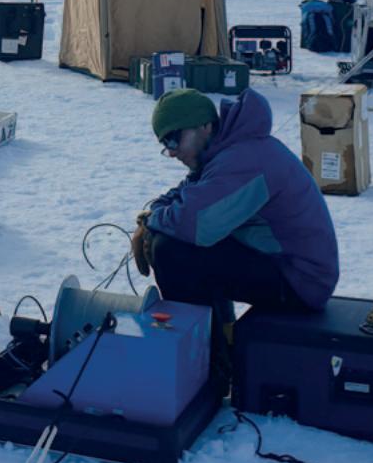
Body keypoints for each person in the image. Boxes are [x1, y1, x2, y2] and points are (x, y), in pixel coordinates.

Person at [133, 88, 339, 320]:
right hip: (287, 265)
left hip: (302, 279)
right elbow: (188, 192)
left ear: (205, 126)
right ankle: (217, 335)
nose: (171, 152)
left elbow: (196, 224)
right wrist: (155, 214)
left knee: (171, 251)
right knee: (183, 242)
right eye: (165, 143)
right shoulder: (226, 151)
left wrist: (153, 221)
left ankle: (205, 352)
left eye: (173, 139)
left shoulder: (244, 159)